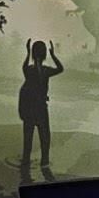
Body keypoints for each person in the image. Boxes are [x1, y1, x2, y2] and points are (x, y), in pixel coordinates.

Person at [16, 38, 64, 181]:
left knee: (28, 138)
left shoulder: (29, 70)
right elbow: (60, 68)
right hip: (40, 108)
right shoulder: (45, 71)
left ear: (33, 53)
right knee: (45, 138)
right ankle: (44, 164)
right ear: (44, 55)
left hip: (30, 109)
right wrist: (53, 55)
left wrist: (27, 54)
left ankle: (26, 165)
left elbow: (25, 68)